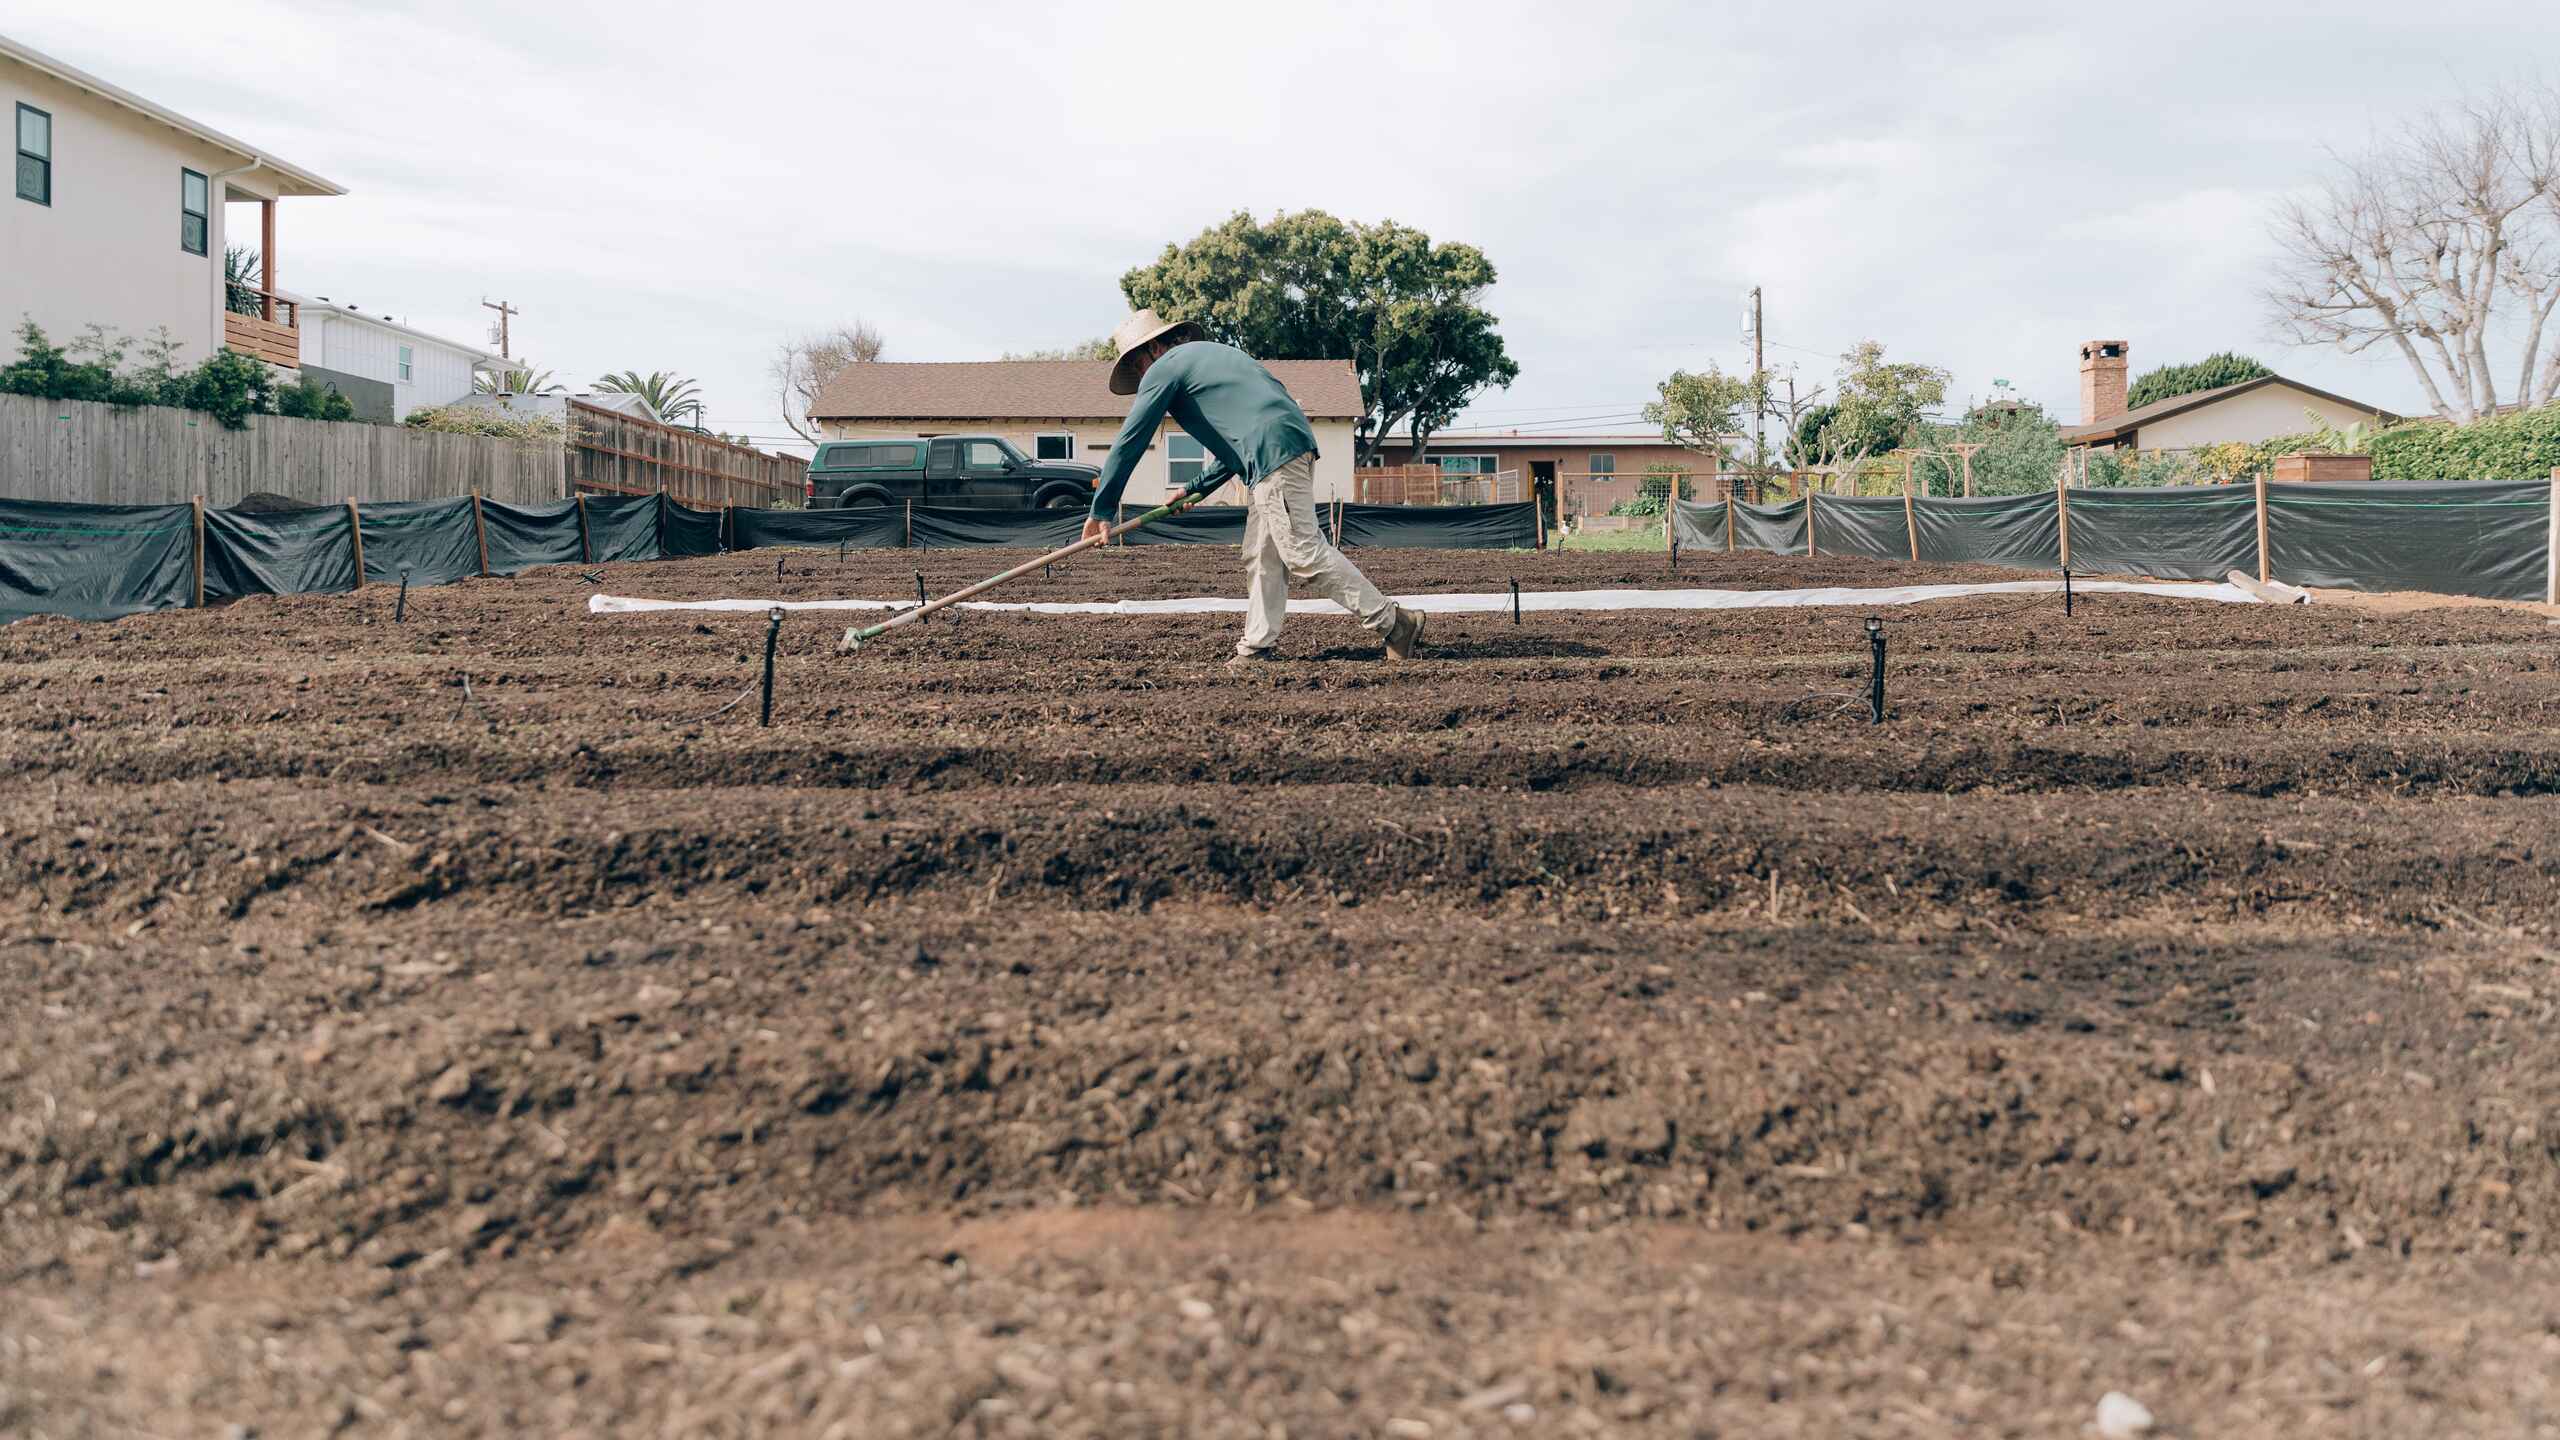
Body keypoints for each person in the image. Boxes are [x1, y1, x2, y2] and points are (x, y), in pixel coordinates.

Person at [1081, 309, 1425, 669]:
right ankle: (1257, 648)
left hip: (1273, 454)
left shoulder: (1165, 368)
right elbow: (1243, 437)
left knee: (1302, 551)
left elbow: (1130, 441)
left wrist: (1101, 509)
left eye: (1137, 366)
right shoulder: (1213, 355)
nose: (1141, 376)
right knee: (1262, 555)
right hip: (1279, 448)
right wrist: (1195, 488)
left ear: (1150, 350)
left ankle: (1395, 623)